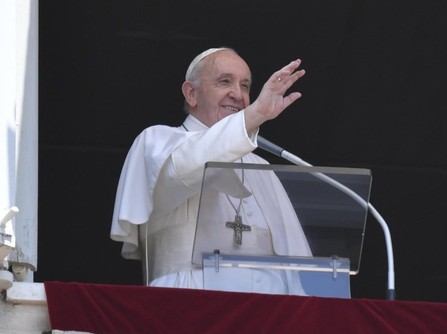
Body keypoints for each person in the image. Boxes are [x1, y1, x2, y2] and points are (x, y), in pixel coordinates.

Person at [110, 47, 313, 295]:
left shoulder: (262, 168)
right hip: (187, 303)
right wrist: (255, 114)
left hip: (268, 315)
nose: (238, 94)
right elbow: (186, 167)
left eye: (246, 86)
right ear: (191, 93)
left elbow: (301, 267)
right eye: (224, 81)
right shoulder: (157, 141)